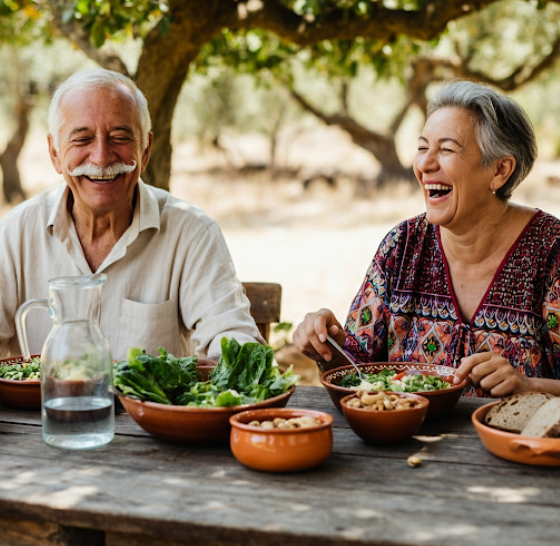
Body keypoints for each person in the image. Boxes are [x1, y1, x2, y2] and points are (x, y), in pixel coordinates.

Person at [294, 79, 560, 398]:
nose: (424, 164)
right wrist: (327, 343)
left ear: (500, 170)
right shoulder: (402, 245)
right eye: (422, 148)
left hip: (512, 446)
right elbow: (360, 371)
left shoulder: (551, 252)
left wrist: (530, 386)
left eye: (446, 149)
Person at [0, 69, 264, 360]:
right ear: (54, 153)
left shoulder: (192, 233)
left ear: (146, 148)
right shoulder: (14, 235)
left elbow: (231, 337)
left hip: (150, 408)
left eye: (120, 137)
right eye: (82, 139)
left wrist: (243, 363)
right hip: (38, 408)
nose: (101, 157)